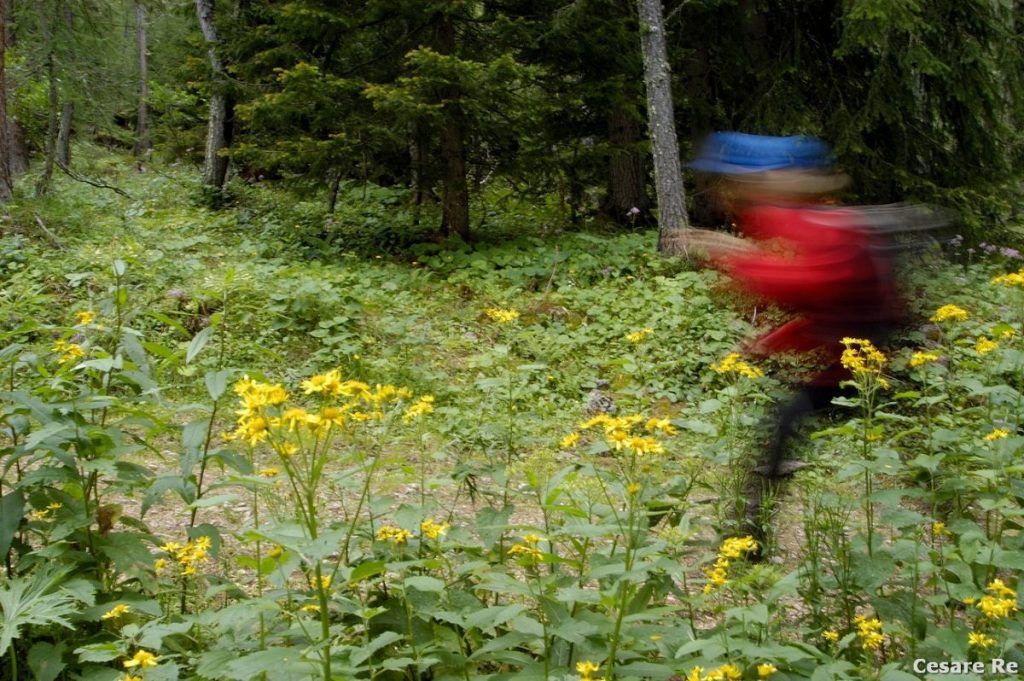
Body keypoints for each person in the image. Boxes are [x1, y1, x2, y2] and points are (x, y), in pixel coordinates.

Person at [689, 132, 907, 551]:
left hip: (877, 361)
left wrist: (734, 256)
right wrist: (771, 341)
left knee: (918, 445)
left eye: (749, 182)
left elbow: (821, 287)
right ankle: (751, 538)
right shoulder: (801, 219)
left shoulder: (826, 225)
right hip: (850, 359)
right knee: (781, 429)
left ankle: (750, 537)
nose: (739, 193)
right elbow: (825, 308)